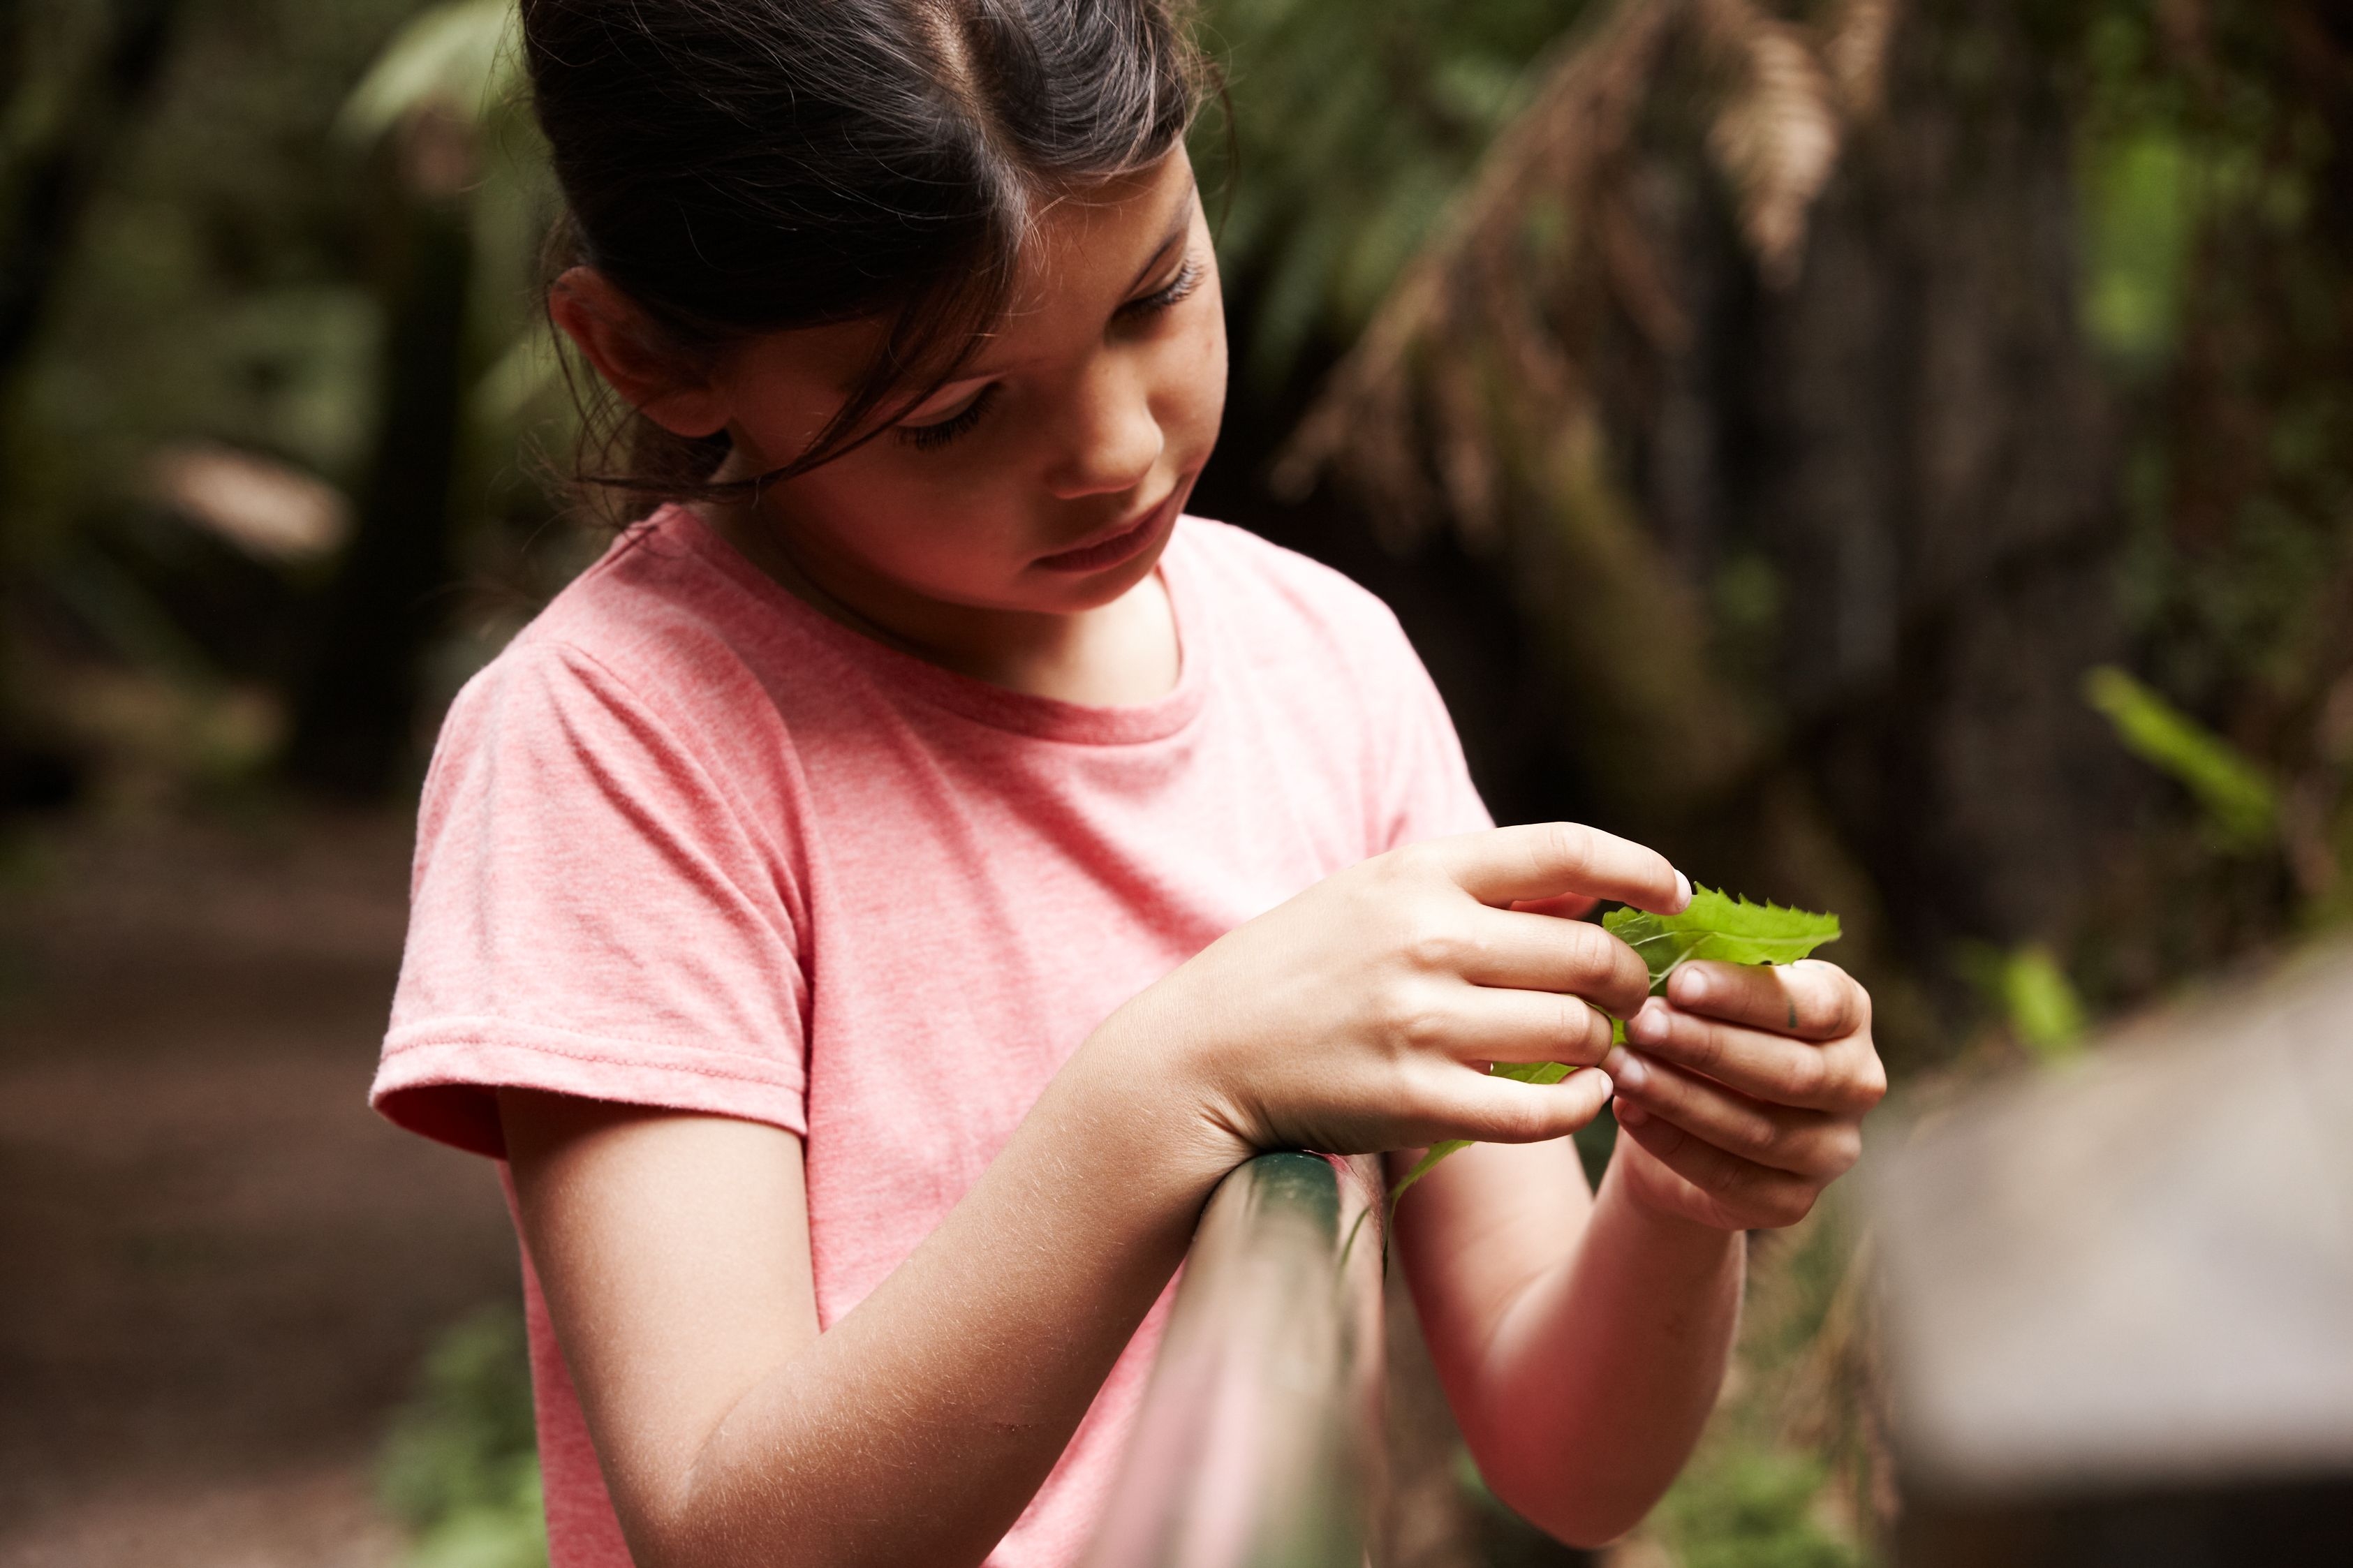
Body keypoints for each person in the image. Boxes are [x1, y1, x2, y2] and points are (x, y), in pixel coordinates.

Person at [369, 3, 1887, 1566]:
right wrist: (1173, 1083)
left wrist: (1678, 1192)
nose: (1112, 445)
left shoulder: (1325, 670)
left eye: (1152, 292)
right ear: (651, 356)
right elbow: (728, 1527)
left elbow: (1569, 1460)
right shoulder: (625, 737)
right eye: (954, 409)